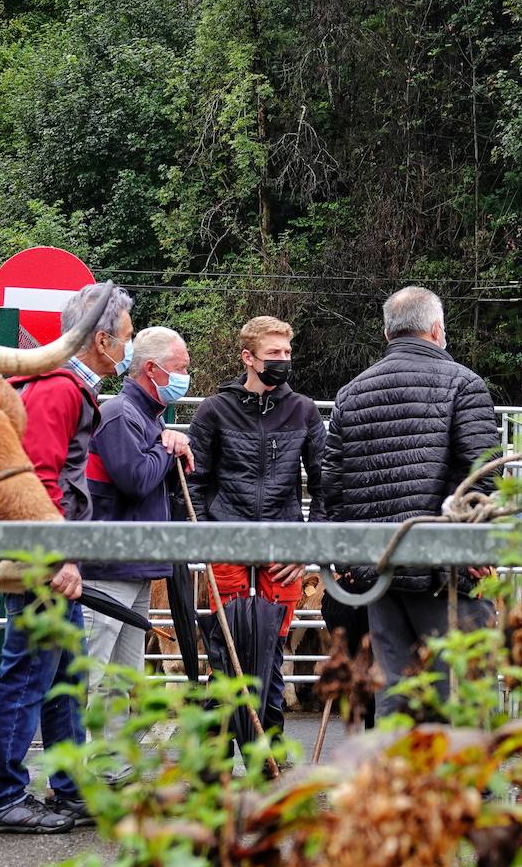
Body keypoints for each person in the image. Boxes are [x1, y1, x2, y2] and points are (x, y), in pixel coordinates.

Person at [0, 281, 133, 835]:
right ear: (102, 338)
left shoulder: (64, 385)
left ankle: (68, 789)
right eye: (127, 337)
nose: (129, 348)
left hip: (42, 554)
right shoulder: (60, 388)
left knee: (64, 675)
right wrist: (57, 557)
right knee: (28, 675)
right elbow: (39, 480)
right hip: (41, 557)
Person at [321, 286, 499, 720]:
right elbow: (483, 476)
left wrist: (341, 560)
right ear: (437, 330)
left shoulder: (352, 393)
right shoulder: (463, 384)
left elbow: (332, 486)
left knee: (394, 696)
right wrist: (473, 549)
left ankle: (395, 785)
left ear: (387, 333)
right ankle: (460, 785)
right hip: (446, 575)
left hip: (378, 573)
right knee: (460, 692)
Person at [186, 316, 326, 736]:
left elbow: (324, 482)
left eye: (286, 352)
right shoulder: (214, 410)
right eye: (273, 354)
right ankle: (216, 758)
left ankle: (269, 750)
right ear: (248, 358)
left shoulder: (302, 410)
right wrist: (205, 538)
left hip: (281, 543)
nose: (283, 360)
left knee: (272, 649)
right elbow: (194, 480)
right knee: (225, 652)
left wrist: (305, 546)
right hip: (227, 539)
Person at [81, 326, 193, 774]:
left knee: (121, 674)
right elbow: (136, 478)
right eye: (181, 368)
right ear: (153, 369)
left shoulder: (148, 417)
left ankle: (110, 765)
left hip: (135, 564)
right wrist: (169, 448)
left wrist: (168, 441)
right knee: (93, 672)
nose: (187, 376)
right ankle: (82, 772)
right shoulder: (120, 414)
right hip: (108, 564)